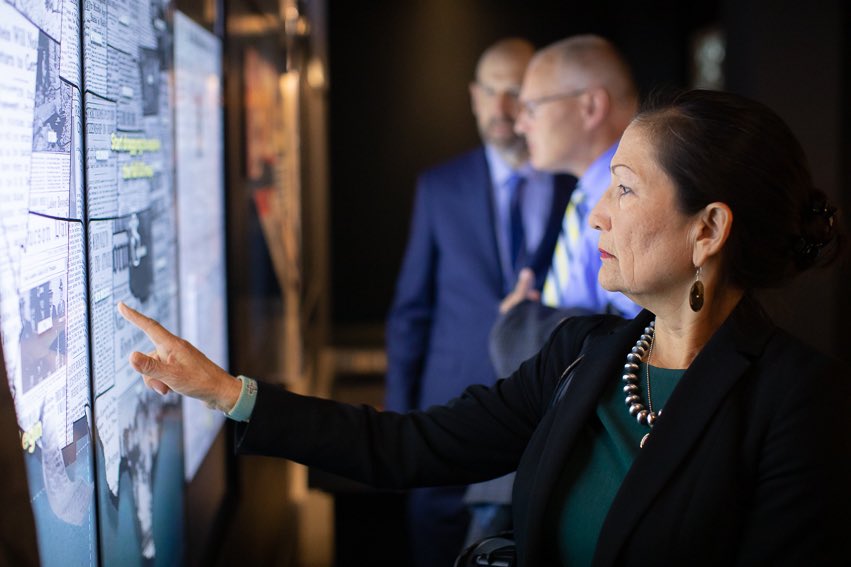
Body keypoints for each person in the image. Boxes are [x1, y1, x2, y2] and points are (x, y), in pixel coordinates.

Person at [119, 89, 851, 566]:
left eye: (625, 189)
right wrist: (229, 393)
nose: (597, 214)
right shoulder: (583, 354)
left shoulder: (797, 401)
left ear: (708, 229)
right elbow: (410, 445)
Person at [384, 38, 574, 565]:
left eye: (514, 91)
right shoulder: (440, 186)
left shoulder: (574, 186)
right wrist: (398, 428)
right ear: (473, 96)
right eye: (490, 91)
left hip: (540, 418)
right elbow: (410, 313)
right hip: (446, 413)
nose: (501, 106)